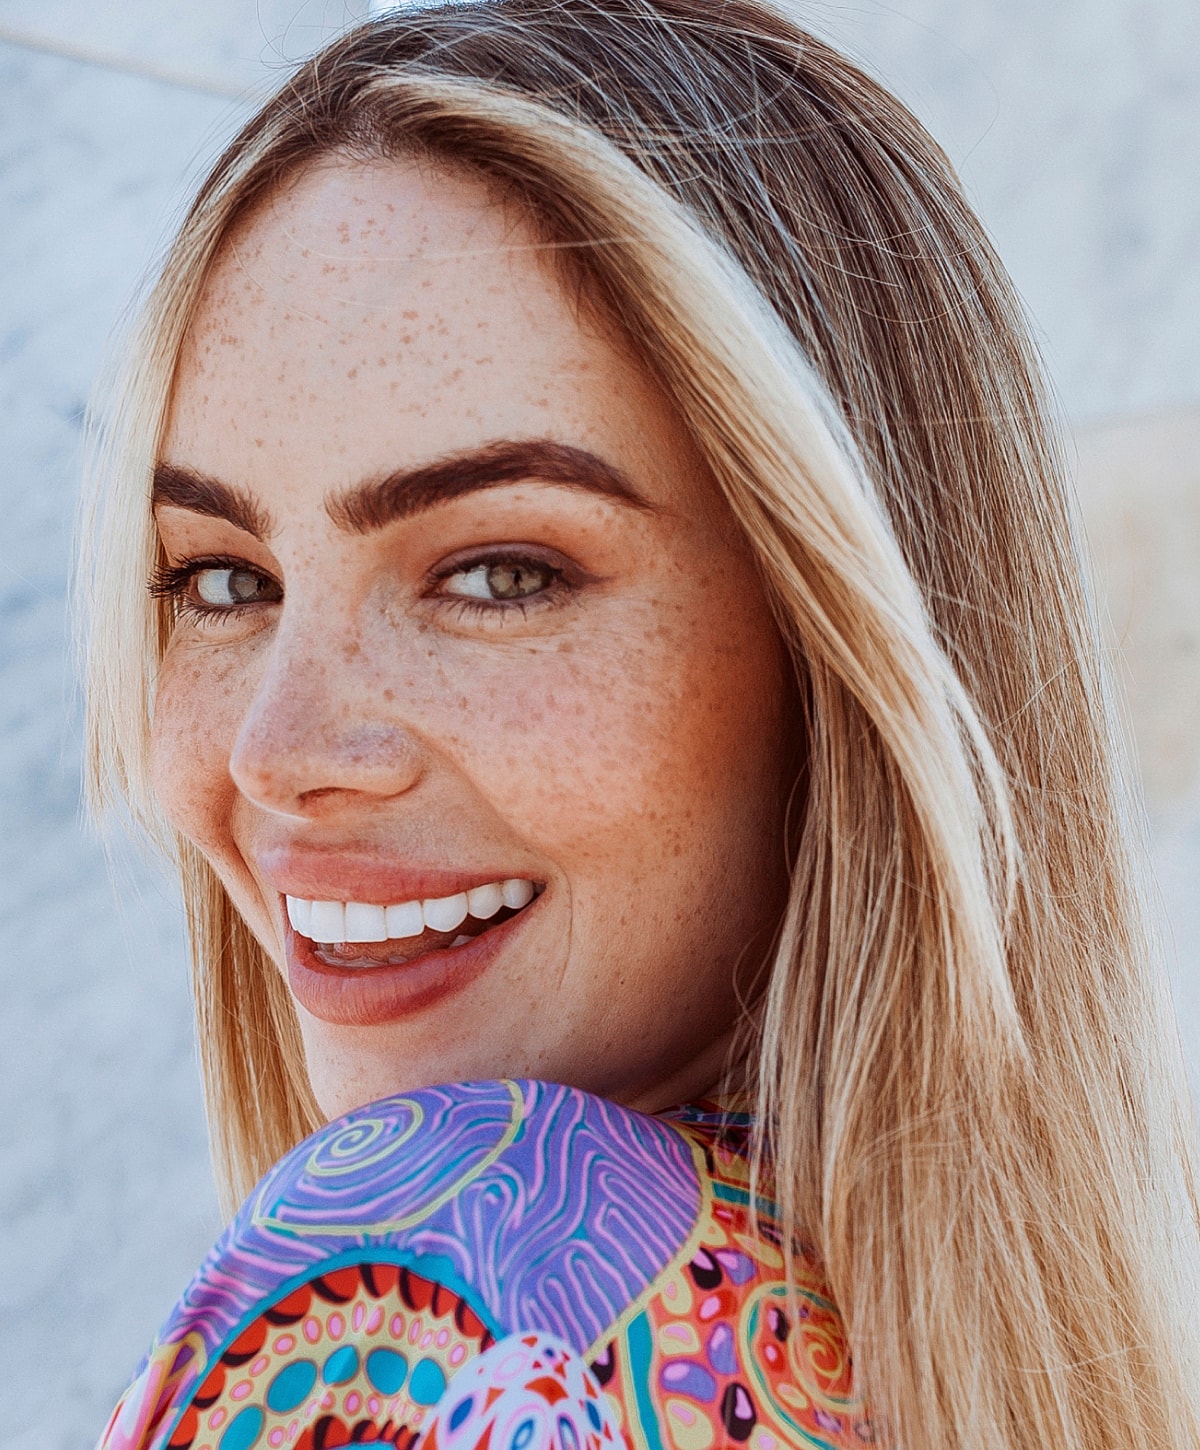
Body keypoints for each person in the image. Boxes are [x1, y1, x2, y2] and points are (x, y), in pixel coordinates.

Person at [80, 3, 1200, 1449]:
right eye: (222, 579)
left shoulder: (419, 1313)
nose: (276, 751)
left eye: (497, 573)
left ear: (835, 640)